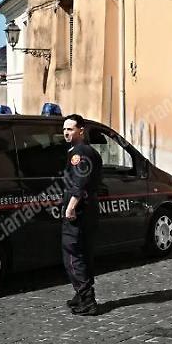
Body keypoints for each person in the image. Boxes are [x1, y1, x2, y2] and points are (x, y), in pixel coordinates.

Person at [61, 113, 103, 315]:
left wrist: (71, 207)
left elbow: (80, 181)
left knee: (72, 254)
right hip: (89, 210)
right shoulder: (88, 151)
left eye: (70, 129)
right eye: (64, 130)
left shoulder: (79, 153)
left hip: (79, 211)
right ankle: (82, 295)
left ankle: (87, 299)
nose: (66, 133)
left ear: (81, 130)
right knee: (85, 253)